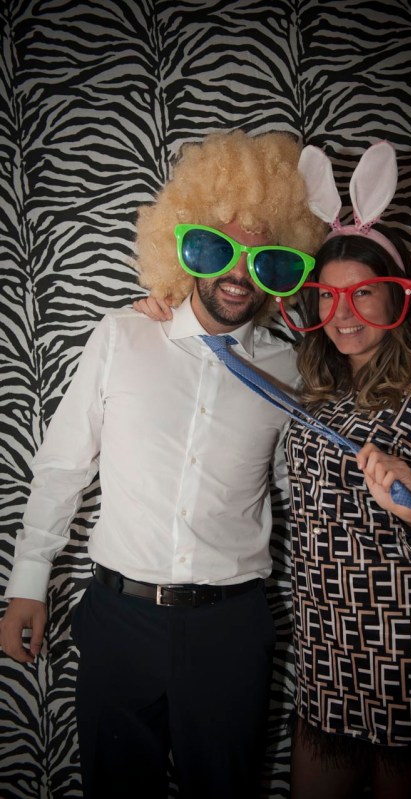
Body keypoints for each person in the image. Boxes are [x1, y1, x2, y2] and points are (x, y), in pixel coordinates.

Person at [0, 128, 327, 799]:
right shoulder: (122, 336)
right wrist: (28, 580)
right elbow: (63, 466)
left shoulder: (290, 373)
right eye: (218, 247)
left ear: (284, 264)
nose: (238, 273)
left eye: (263, 256)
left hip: (231, 629)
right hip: (120, 620)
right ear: (183, 246)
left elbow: (305, 491)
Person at [277, 142, 411, 798]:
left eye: (362, 293)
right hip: (327, 654)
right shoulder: (317, 395)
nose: (343, 314)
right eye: (328, 297)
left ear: (394, 297)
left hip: (406, 655)